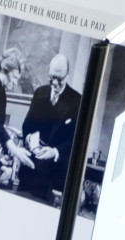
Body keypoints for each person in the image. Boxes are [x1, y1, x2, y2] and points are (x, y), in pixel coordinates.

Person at [22, 53, 82, 201]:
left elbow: (76, 139)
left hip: (55, 176)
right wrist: (28, 138)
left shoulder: (77, 101)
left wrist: (55, 151)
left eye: (59, 79)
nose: (54, 83)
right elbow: (27, 125)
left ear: (68, 75)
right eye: (51, 77)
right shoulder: (39, 93)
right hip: (30, 171)